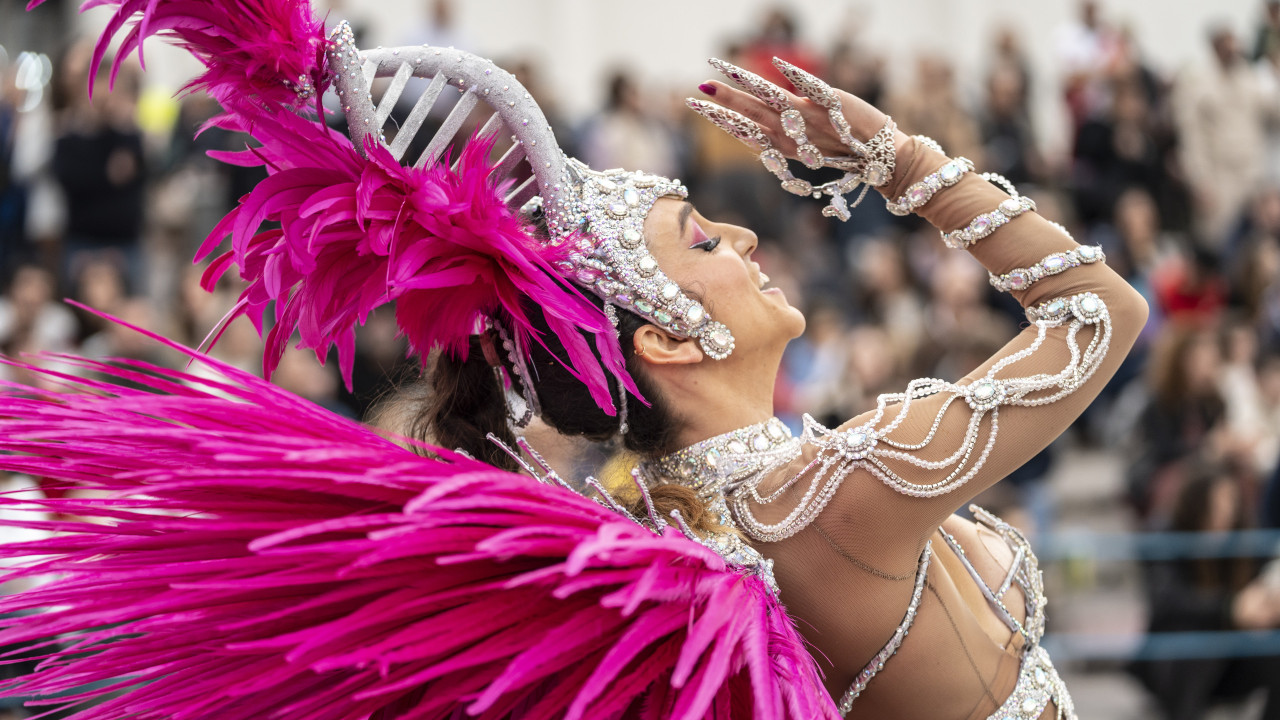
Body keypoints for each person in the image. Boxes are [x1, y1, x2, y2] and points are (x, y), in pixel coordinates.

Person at [0, 1, 1147, 718]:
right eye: (702, 239)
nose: (744, 238)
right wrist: (897, 159)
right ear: (662, 336)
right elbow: (1100, 309)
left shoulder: (681, 514)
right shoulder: (833, 497)